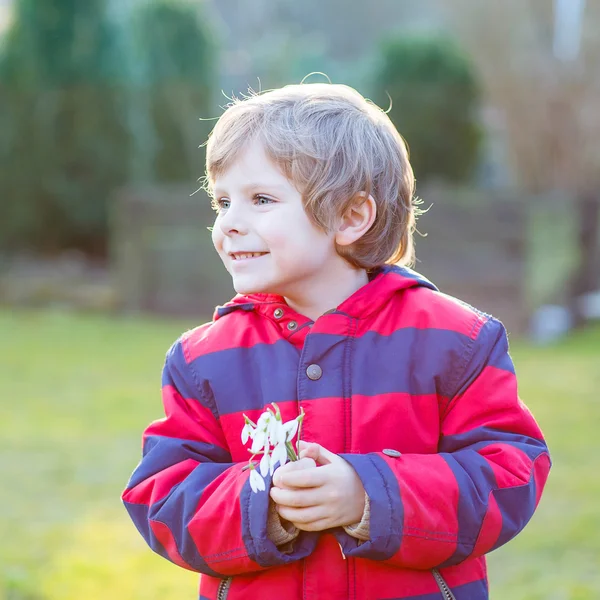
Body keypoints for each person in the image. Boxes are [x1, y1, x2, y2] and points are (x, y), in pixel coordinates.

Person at [122, 83, 551, 600]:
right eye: (221, 201)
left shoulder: (456, 341)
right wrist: (266, 504)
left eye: (260, 199)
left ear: (350, 217)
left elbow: (511, 474)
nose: (229, 224)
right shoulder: (202, 360)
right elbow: (160, 499)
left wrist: (370, 494)